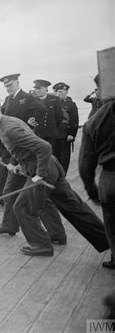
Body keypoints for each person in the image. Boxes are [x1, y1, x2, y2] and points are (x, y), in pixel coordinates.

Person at [0, 98, 108, 256]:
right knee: (74, 207)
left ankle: (41, 246)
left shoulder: (8, 129)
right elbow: (25, 148)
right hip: (51, 166)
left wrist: (39, 174)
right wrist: (16, 163)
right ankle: (106, 241)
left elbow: (44, 147)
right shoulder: (11, 121)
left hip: (43, 168)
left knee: (22, 207)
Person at [0, 73, 46, 207]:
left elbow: (41, 109)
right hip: (8, 140)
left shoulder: (27, 97)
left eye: (10, 85)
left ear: (17, 83)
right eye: (6, 86)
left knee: (17, 172)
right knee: (3, 169)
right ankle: (0, 197)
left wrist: (30, 124)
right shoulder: (8, 99)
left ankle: (14, 199)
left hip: (19, 141)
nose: (8, 88)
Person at [79, 80, 115, 269]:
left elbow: (86, 162)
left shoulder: (94, 121)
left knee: (111, 222)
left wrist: (91, 189)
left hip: (110, 179)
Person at [53, 82, 79, 174]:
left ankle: (63, 176)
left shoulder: (71, 104)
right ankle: (56, 176)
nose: (60, 94)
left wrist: (72, 134)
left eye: (62, 92)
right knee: (54, 157)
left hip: (65, 135)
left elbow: (74, 120)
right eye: (58, 92)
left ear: (66, 92)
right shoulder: (52, 103)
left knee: (64, 158)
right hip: (54, 135)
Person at [33, 79, 63, 148]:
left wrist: (53, 127)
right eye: (36, 89)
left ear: (46, 88)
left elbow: (59, 116)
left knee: (50, 155)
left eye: (40, 88)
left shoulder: (55, 99)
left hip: (50, 134)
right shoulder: (33, 100)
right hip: (37, 134)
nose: (37, 91)